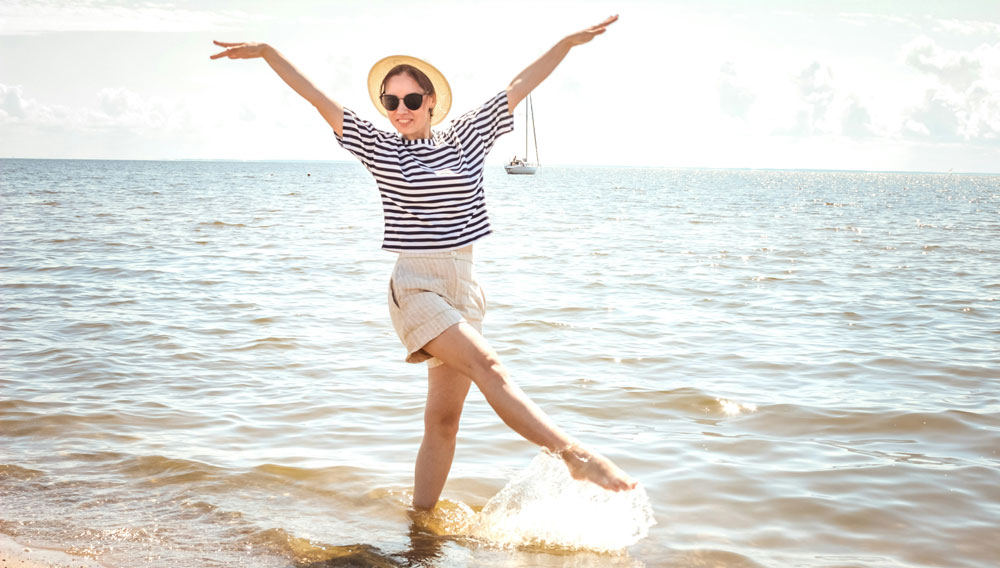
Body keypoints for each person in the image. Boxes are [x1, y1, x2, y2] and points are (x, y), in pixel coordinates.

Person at [210, 14, 636, 511]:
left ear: (431, 100)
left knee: (443, 422)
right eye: (391, 101)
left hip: (464, 286)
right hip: (415, 286)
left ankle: (420, 528)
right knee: (489, 365)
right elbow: (318, 98)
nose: (401, 109)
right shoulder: (381, 147)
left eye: (411, 100)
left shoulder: (467, 137)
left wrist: (566, 42)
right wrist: (268, 52)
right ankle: (574, 455)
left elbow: (520, 84)